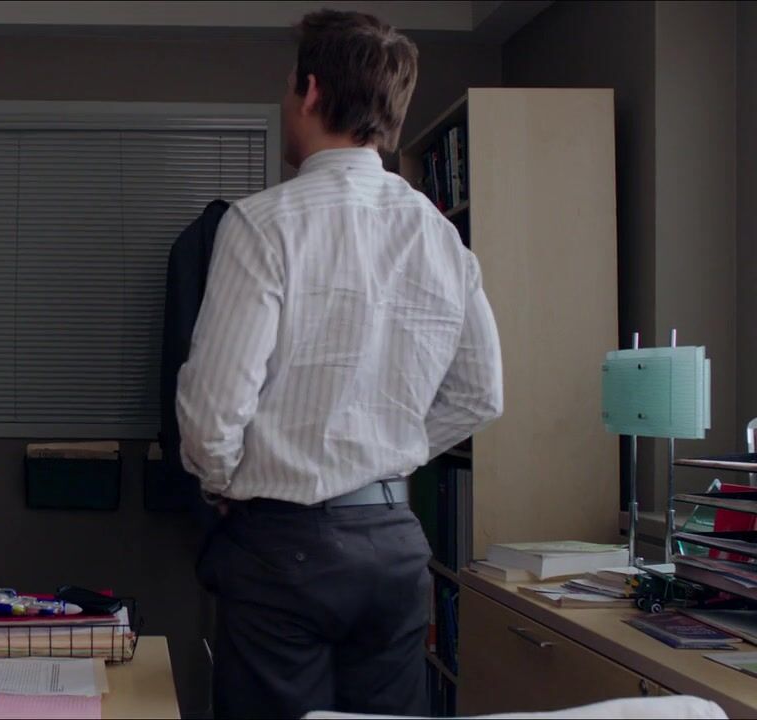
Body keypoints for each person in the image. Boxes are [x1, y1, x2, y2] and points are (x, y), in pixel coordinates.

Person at [176, 9, 503, 719]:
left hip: (282, 546)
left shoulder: (262, 224)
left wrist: (226, 480)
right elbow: (481, 394)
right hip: (394, 548)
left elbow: (211, 413)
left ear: (312, 90)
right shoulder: (440, 236)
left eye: (288, 87)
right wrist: (386, 455)